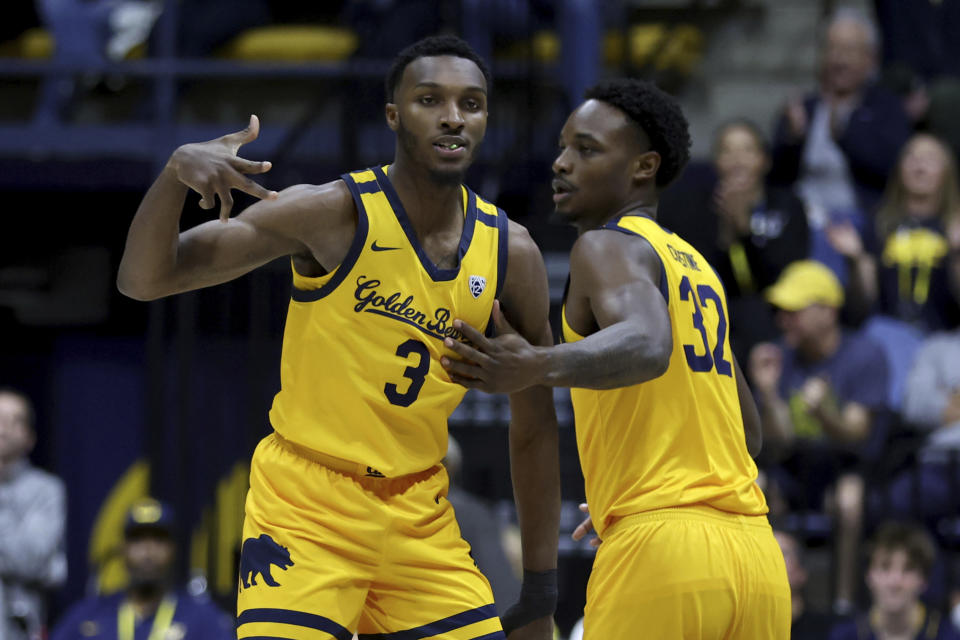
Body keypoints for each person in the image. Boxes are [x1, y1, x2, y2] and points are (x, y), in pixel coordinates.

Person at [116, 35, 560, 639]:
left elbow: (534, 428)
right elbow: (144, 279)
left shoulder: (513, 253)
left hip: (418, 512)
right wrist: (174, 174)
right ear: (393, 115)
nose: (454, 116)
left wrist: (539, 587)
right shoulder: (330, 213)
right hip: (307, 505)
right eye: (431, 99)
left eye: (472, 103)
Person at [440, 78, 791, 637]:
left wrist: (536, 363)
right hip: (754, 558)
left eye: (586, 149)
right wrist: (631, 490)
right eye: (562, 146)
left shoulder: (604, 245)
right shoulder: (695, 265)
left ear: (643, 167)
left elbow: (649, 345)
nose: (561, 163)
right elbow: (746, 434)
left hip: (663, 556)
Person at [748, 260, 890, 614]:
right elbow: (778, 442)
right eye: (780, 311)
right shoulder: (779, 356)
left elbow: (856, 434)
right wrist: (767, 393)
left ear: (828, 312)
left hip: (844, 467)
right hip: (793, 467)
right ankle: (760, 591)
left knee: (848, 500)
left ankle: (842, 603)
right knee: (754, 485)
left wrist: (823, 414)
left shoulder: (864, 355)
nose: (783, 320)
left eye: (793, 311)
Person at [661, 118, 810, 364]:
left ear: (765, 160)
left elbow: (787, 274)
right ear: (715, 162)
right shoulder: (691, 209)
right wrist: (726, 232)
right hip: (708, 313)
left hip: (772, 314)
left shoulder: (788, 206)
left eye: (747, 150)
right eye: (727, 151)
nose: (738, 160)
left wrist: (745, 229)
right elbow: (693, 275)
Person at [770, 8, 911, 217]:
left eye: (848, 50)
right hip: (804, 218)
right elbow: (775, 178)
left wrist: (845, 136)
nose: (838, 60)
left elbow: (893, 171)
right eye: (831, 49)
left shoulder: (886, 107)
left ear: (870, 58)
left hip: (863, 219)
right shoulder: (804, 107)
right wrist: (792, 139)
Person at [829, 132, 960, 333]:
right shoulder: (878, 223)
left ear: (947, 171)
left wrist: (956, 253)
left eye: (930, 159)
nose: (919, 167)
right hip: (888, 333)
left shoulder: (955, 225)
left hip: (946, 337)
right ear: (900, 169)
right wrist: (857, 260)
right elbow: (861, 307)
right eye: (912, 158)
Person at [51, 498, 235, 640]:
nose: (148, 552)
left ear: (173, 549)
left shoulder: (202, 619)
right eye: (138, 540)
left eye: (158, 540)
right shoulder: (89, 615)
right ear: (123, 549)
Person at [0, 387, 66, 640]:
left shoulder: (46, 490)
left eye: (13, 421)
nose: (3, 429)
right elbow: (44, 569)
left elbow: (31, 560)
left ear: (30, 438)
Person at [828, 521, 960, 640]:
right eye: (885, 568)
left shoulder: (945, 635)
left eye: (908, 569)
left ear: (924, 579)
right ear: (869, 575)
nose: (895, 582)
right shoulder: (846, 635)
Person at [775, 528, 845, 639]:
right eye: (766, 554)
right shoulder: (746, 624)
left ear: (801, 572)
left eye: (782, 553)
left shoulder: (828, 631)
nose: (772, 560)